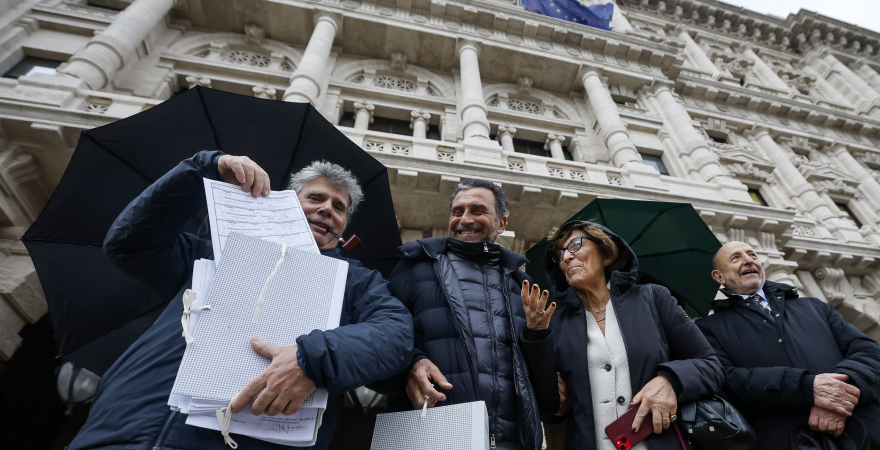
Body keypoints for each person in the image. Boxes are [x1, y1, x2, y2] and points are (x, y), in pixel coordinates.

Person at [69, 150, 413, 450]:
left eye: (338, 207)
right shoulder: (212, 249)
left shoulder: (357, 281)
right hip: (125, 430)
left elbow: (395, 334)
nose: (326, 210)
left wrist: (312, 359)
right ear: (287, 202)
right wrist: (203, 170)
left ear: (343, 228)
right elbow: (129, 245)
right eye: (315, 198)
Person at [520, 220, 724, 450]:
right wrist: (535, 335)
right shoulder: (555, 322)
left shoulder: (653, 298)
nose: (567, 257)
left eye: (576, 245)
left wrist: (671, 380)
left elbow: (710, 365)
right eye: (560, 253)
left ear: (606, 252)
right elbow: (549, 408)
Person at [696, 241, 880, 450]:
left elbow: (875, 357)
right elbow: (728, 382)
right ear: (719, 277)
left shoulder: (815, 307)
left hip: (871, 433)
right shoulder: (708, 329)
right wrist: (806, 388)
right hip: (792, 440)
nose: (748, 260)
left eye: (752, 255)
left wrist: (837, 395)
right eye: (736, 258)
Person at [383, 179, 543, 450]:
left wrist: (540, 337)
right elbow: (381, 334)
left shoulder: (521, 285)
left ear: (501, 223)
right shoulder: (413, 268)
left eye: (477, 210)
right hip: (433, 434)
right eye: (457, 212)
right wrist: (412, 363)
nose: (465, 219)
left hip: (511, 441)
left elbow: (539, 387)